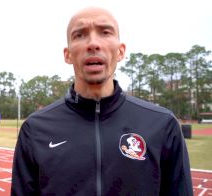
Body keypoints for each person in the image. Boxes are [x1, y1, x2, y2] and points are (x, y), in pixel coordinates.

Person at [11, 7, 193, 195]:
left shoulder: (162, 125)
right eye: (80, 35)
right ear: (68, 55)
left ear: (121, 51)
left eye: (105, 32)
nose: (93, 44)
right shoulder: (35, 129)